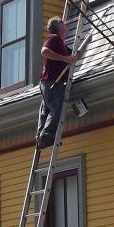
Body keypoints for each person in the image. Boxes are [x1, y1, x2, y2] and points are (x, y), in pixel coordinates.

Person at [36, 16, 82, 148]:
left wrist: (87, 42)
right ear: (58, 26)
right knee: (57, 107)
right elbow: (44, 51)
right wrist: (63, 59)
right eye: (63, 22)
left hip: (48, 83)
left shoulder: (60, 44)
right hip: (52, 82)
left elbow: (75, 56)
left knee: (46, 111)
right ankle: (46, 135)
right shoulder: (53, 38)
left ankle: (41, 137)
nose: (65, 24)